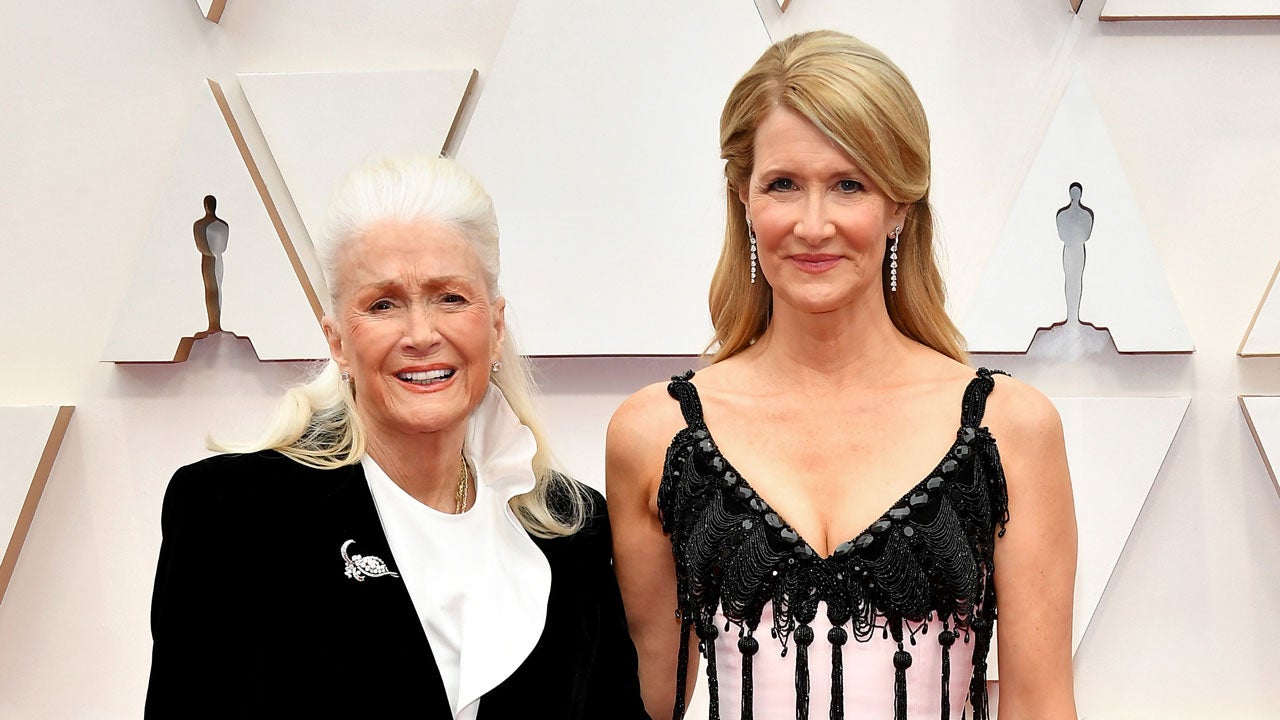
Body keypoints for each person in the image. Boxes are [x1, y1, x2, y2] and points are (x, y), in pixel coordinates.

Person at [607, 31, 1077, 720]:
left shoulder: (1010, 429)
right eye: (783, 185)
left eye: (849, 184)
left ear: (900, 206)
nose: (813, 224)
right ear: (743, 198)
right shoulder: (655, 436)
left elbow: (1041, 706)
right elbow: (645, 704)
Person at [146, 157, 649, 719]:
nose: (420, 335)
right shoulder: (230, 515)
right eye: (382, 304)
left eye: (450, 297)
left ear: (496, 325)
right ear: (337, 340)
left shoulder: (572, 523)